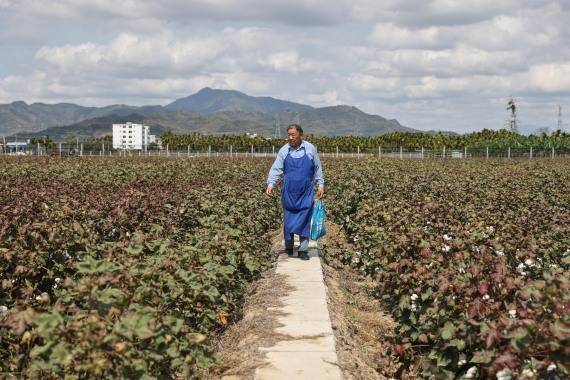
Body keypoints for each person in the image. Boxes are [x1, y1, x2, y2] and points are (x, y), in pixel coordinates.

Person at [266, 124, 324, 260]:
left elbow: (317, 168)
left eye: (293, 135)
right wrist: (271, 184)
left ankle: (303, 250)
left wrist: (320, 184)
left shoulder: (310, 149)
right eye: (289, 135)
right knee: (289, 220)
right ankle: (289, 246)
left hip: (306, 191)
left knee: (305, 219)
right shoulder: (284, 151)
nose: (290, 138)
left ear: (301, 136)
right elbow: (277, 169)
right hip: (289, 192)